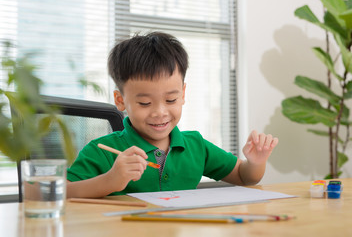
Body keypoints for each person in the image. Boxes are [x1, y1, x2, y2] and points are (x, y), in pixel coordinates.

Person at [66, 32, 279, 198]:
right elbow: (55, 192)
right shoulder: (102, 151)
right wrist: (110, 180)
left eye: (171, 100)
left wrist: (256, 162)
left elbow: (244, 177)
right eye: (145, 103)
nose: (160, 112)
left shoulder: (196, 146)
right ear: (120, 100)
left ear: (183, 94)